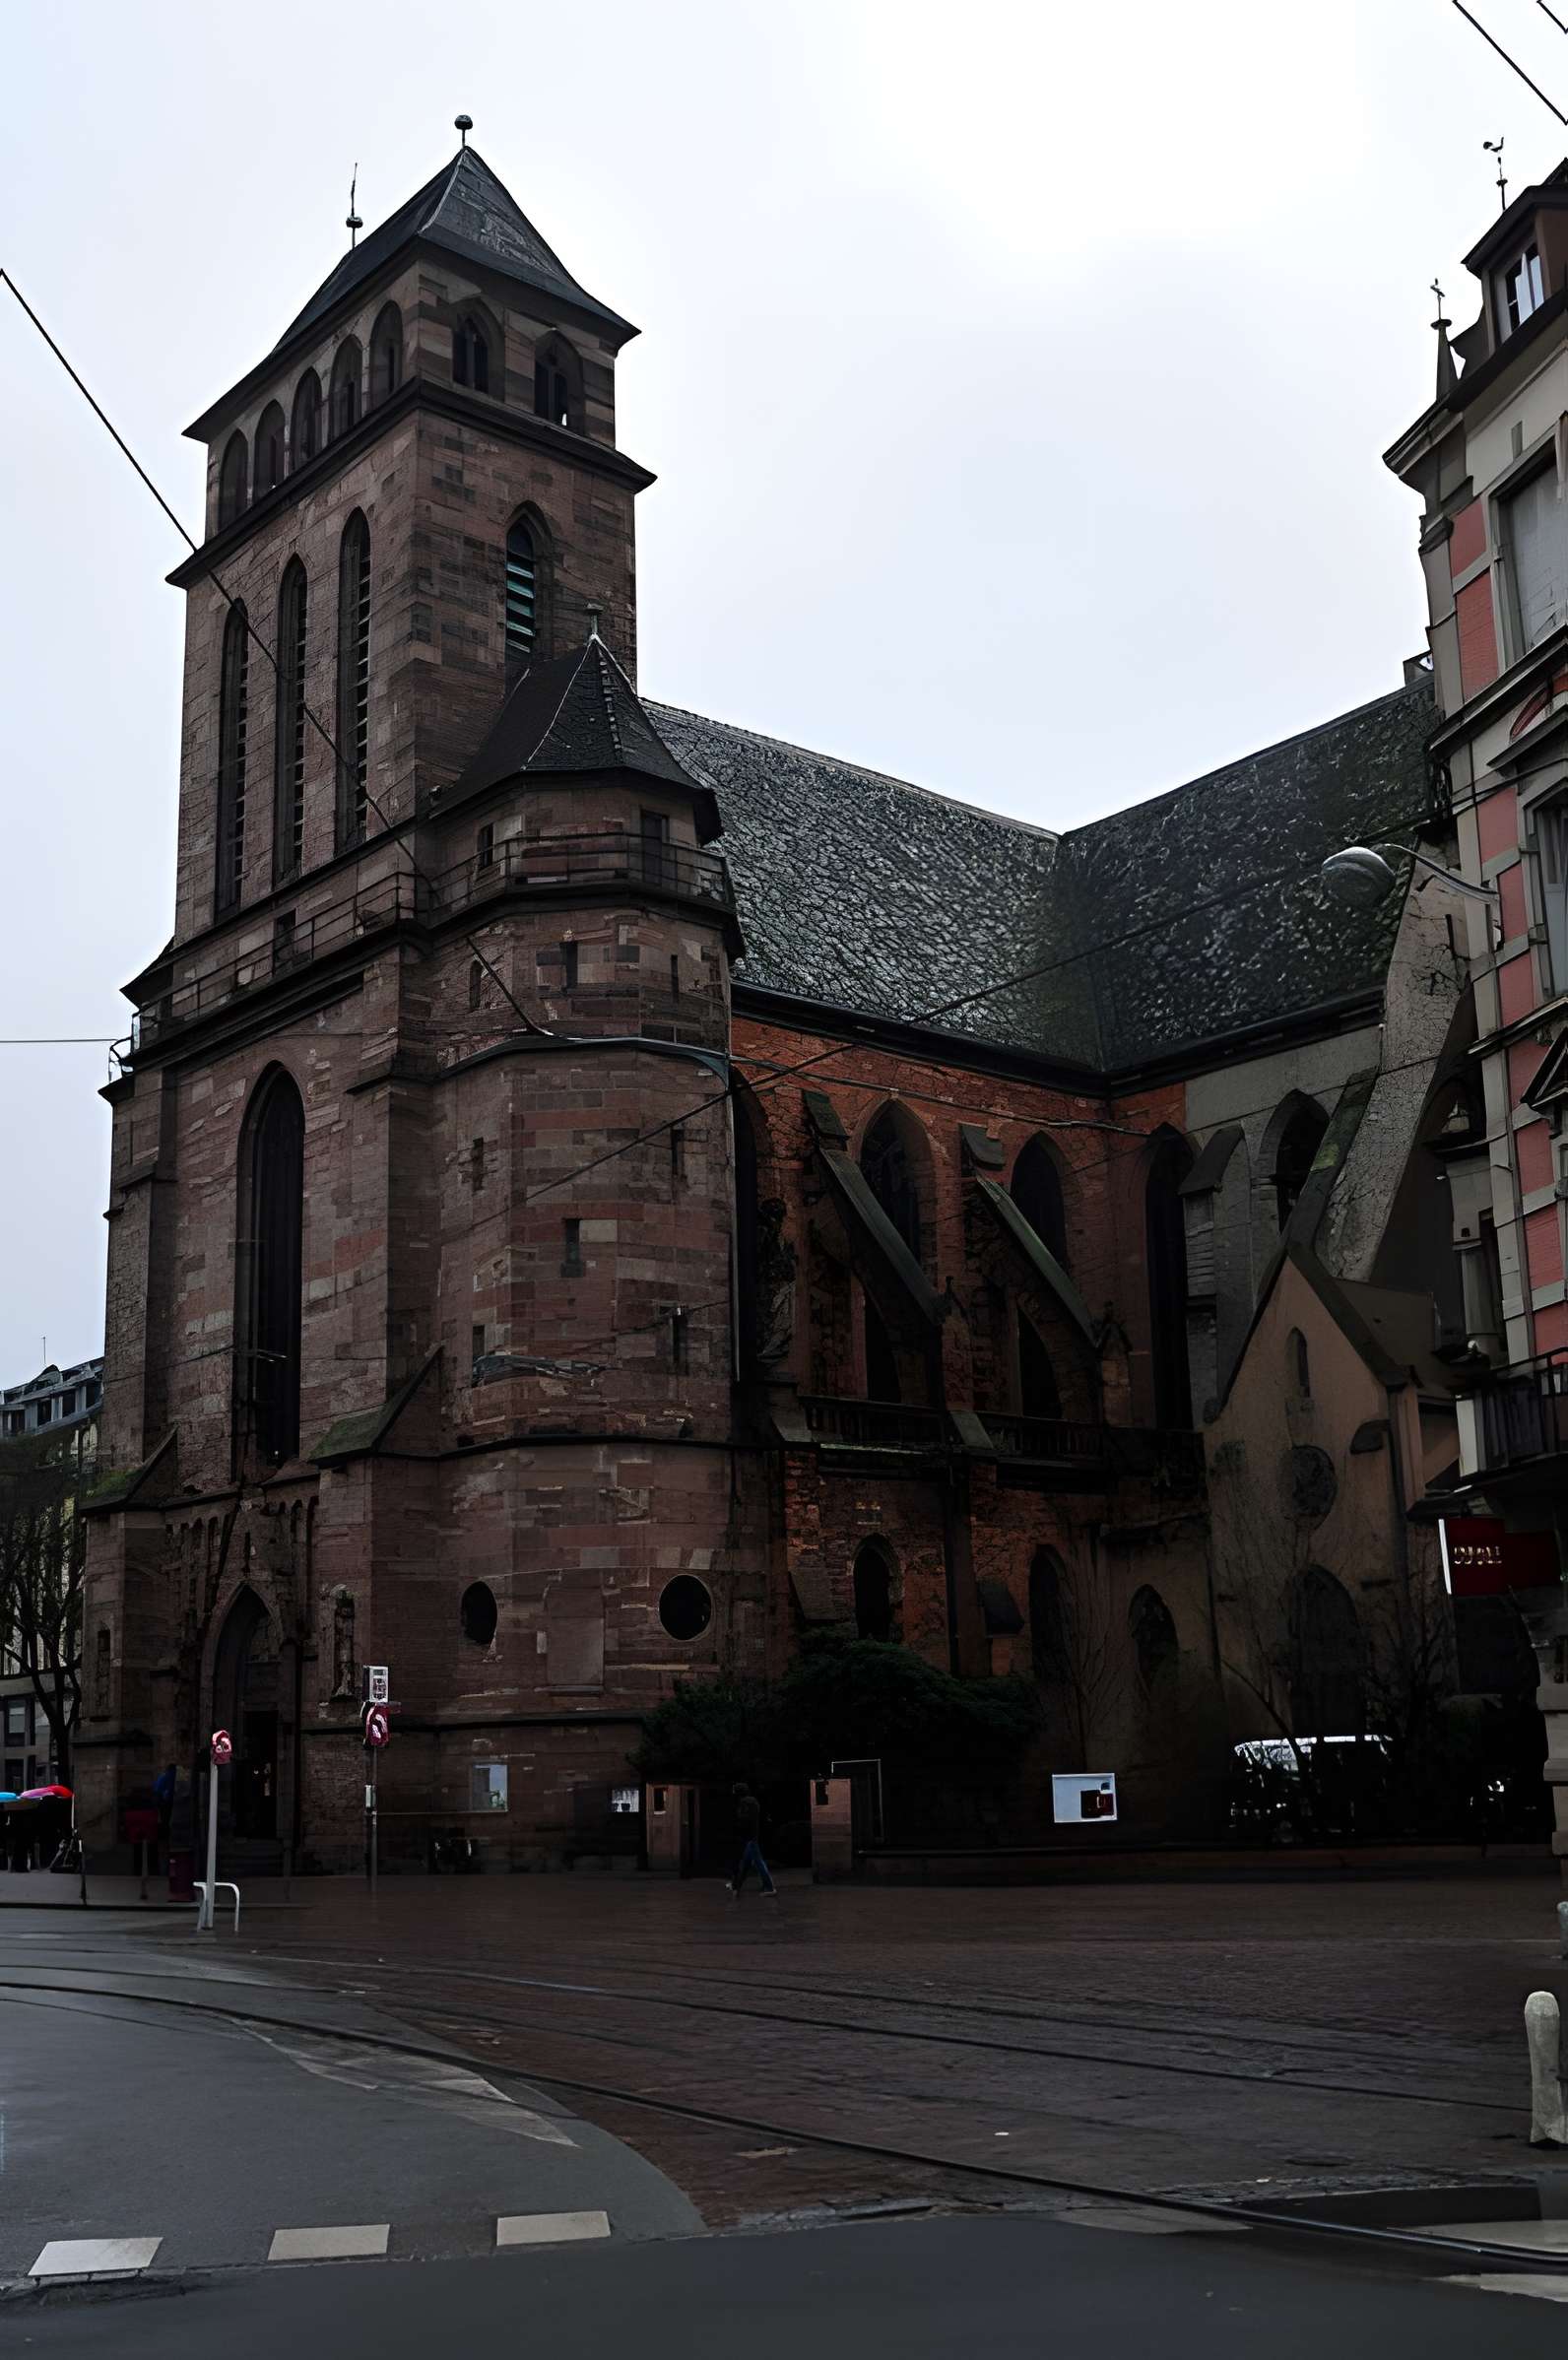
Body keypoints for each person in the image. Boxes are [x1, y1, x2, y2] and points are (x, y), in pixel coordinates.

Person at [727, 1780, 776, 1898]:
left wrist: (738, 1827)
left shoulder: (745, 1802)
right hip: (751, 1837)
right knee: (745, 1864)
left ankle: (769, 1887)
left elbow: (745, 1820)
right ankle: (736, 1886)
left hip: (750, 1837)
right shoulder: (751, 1801)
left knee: (759, 1863)